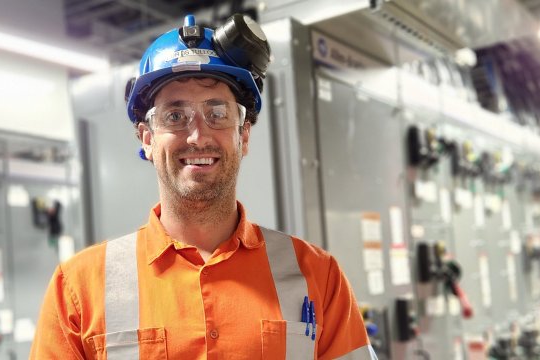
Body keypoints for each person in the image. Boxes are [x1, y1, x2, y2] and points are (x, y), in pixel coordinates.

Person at [30, 13, 376, 360]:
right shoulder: (77, 288)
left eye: (218, 114)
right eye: (175, 117)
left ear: (243, 135)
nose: (197, 136)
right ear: (147, 138)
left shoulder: (318, 276)